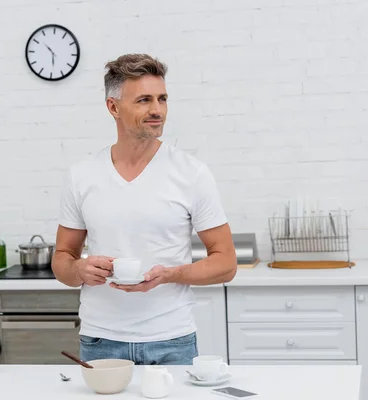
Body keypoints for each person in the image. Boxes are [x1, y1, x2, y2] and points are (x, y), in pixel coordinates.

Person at [52, 53, 237, 365]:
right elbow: (62, 260)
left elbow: (227, 263)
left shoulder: (191, 173)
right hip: (100, 341)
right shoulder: (81, 175)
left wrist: (169, 274)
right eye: (144, 100)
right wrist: (78, 270)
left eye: (162, 99)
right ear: (113, 107)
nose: (157, 110)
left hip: (171, 340)